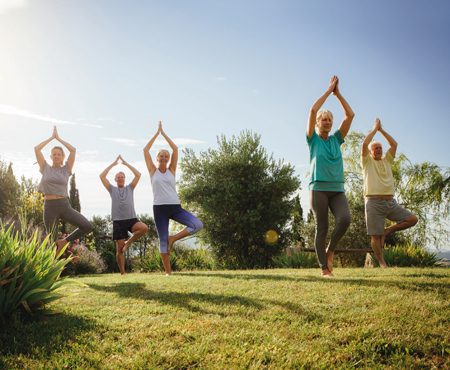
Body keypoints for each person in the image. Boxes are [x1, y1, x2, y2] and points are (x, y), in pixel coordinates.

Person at [306, 76, 355, 277]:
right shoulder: (313, 140)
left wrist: (338, 94)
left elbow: (350, 115)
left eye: (329, 120)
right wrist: (328, 91)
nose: (326, 122)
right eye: (323, 119)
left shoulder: (337, 139)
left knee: (345, 219)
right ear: (318, 123)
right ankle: (324, 269)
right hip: (318, 188)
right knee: (322, 228)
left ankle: (331, 250)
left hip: (337, 189)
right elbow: (312, 110)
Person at [143, 121, 203, 275]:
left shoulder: (172, 169)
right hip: (159, 209)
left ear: (168, 159)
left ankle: (173, 238)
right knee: (162, 241)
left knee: (197, 224)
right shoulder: (152, 171)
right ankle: (168, 273)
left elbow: (175, 148)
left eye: (166, 156)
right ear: (157, 158)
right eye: (161, 156)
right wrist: (157, 134)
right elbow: (145, 149)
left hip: (175, 207)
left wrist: (164, 134)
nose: (163, 157)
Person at [361, 118, 418, 267]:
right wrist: (374, 130)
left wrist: (381, 130)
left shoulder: (387, 161)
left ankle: (387, 231)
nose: (379, 150)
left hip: (390, 203)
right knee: (375, 236)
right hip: (373, 202)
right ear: (371, 152)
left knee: (412, 219)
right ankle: (382, 262)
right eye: (376, 148)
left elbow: (394, 144)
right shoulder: (367, 162)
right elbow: (364, 144)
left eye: (380, 148)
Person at [35, 126, 92, 255]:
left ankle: (64, 242)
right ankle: (52, 273)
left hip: (64, 205)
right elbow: (37, 149)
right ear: (51, 156)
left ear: (62, 157)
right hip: (49, 207)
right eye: (54, 154)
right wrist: (51, 138)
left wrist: (59, 139)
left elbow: (73, 150)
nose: (56, 156)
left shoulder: (66, 169)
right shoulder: (45, 167)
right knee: (51, 242)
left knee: (87, 226)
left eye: (59, 154)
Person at [100, 155, 149, 274]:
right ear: (115, 179)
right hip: (118, 221)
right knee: (120, 250)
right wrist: (113, 164)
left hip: (131, 219)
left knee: (144, 228)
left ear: (125, 179)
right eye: (118, 177)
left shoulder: (130, 188)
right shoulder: (112, 189)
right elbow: (102, 176)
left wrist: (126, 163)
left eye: (122, 177)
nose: (121, 178)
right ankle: (122, 273)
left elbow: (138, 175)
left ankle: (129, 242)